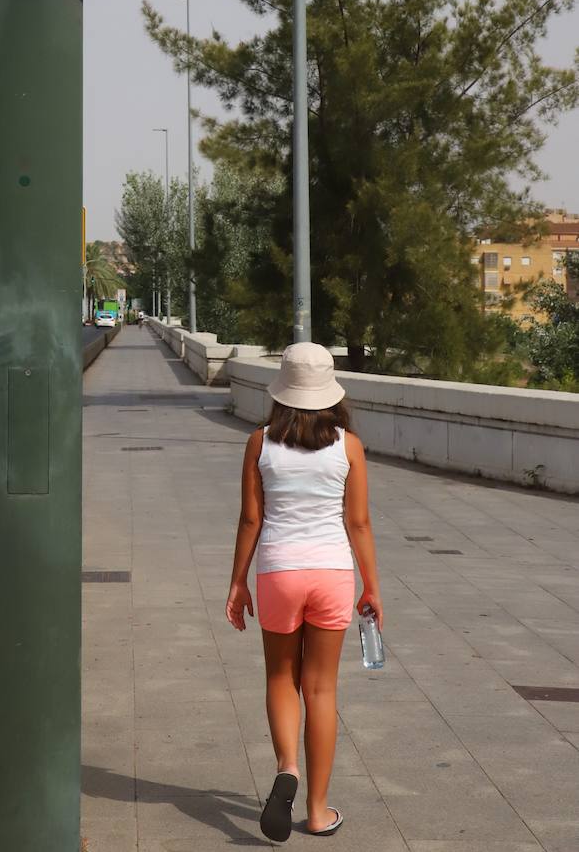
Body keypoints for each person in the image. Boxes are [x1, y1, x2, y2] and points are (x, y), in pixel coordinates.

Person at [225, 343, 383, 841]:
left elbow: (253, 518)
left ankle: (287, 767)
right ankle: (316, 811)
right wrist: (372, 587)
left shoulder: (260, 442)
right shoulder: (348, 445)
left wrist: (237, 581)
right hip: (332, 572)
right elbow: (358, 523)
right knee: (321, 689)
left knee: (280, 677)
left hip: (278, 571)